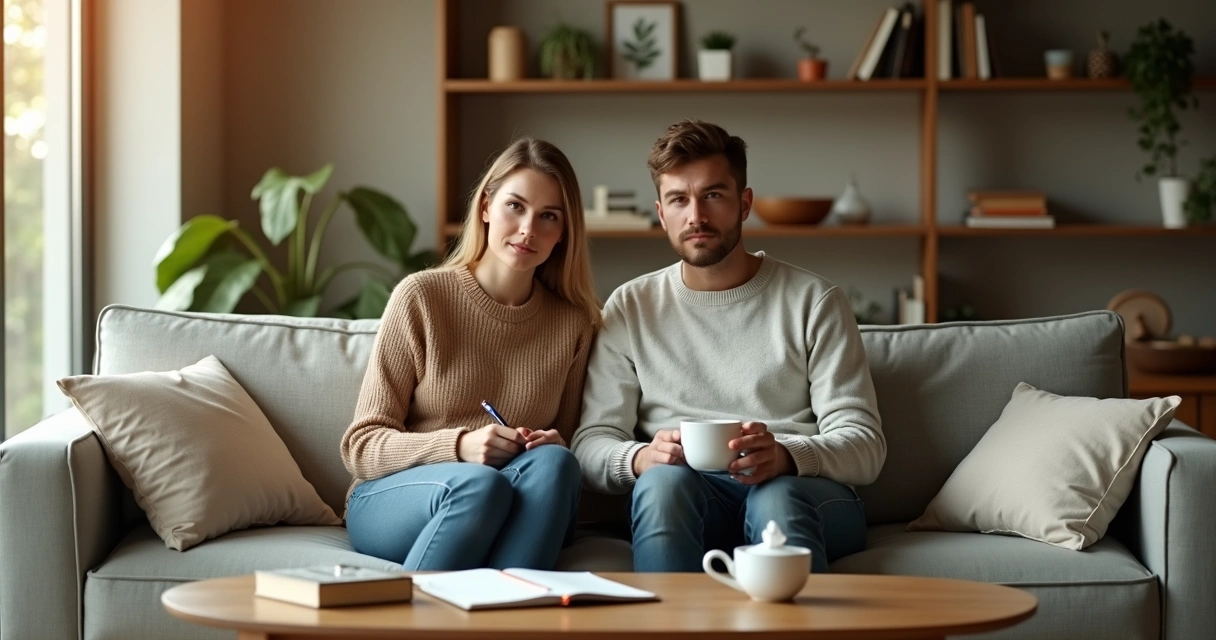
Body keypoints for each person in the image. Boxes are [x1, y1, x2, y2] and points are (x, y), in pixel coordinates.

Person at [571, 120, 885, 574]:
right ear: (662, 213)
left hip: (801, 495)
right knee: (661, 486)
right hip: (687, 498)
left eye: (713, 195)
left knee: (776, 497)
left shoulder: (814, 301)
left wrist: (788, 455)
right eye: (679, 199)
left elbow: (866, 445)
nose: (696, 215)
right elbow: (591, 444)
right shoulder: (631, 305)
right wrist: (640, 457)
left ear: (744, 203)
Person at [341, 137, 600, 571]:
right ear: (485, 206)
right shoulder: (421, 297)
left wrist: (560, 445)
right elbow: (361, 446)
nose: (528, 229)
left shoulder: (573, 323)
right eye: (515, 206)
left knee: (556, 464)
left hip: (509, 502)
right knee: (479, 487)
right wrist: (459, 446)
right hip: (397, 499)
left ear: (563, 233)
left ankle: (503, 616)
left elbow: (568, 451)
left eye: (548, 216)